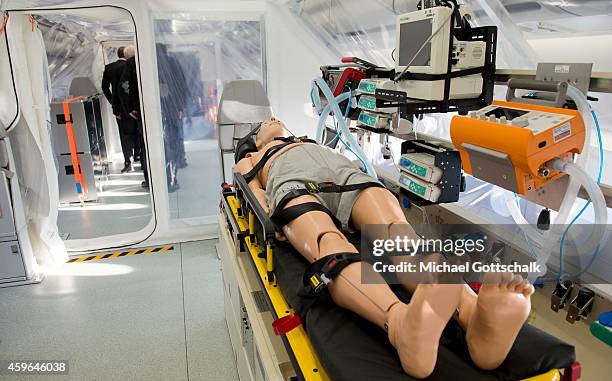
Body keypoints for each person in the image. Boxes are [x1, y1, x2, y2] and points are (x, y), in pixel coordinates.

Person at [234, 118, 535, 379]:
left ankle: (475, 318)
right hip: (292, 185)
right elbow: (252, 192)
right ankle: (400, 325)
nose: (272, 119)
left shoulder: (306, 139)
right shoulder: (253, 158)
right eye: (263, 124)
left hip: (344, 175)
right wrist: (272, 221)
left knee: (398, 233)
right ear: (252, 142)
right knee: (330, 244)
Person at [156, 43, 188, 192]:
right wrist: (181, 106)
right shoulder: (173, 62)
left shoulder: (149, 65)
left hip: (155, 110)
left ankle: (162, 178)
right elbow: (182, 84)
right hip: (173, 110)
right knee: (174, 139)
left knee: (159, 144)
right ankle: (173, 174)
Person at [101, 46, 138, 174]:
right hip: (134, 105)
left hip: (119, 108)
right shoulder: (134, 65)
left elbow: (104, 88)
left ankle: (128, 160)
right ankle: (139, 155)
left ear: (118, 55)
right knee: (138, 130)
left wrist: (112, 101)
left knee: (124, 134)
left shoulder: (109, 68)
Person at [118, 46, 149, 189]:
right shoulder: (153, 60)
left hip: (141, 110)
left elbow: (123, 86)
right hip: (158, 109)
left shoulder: (131, 64)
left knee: (145, 145)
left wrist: (130, 108)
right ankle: (169, 177)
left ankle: (149, 179)